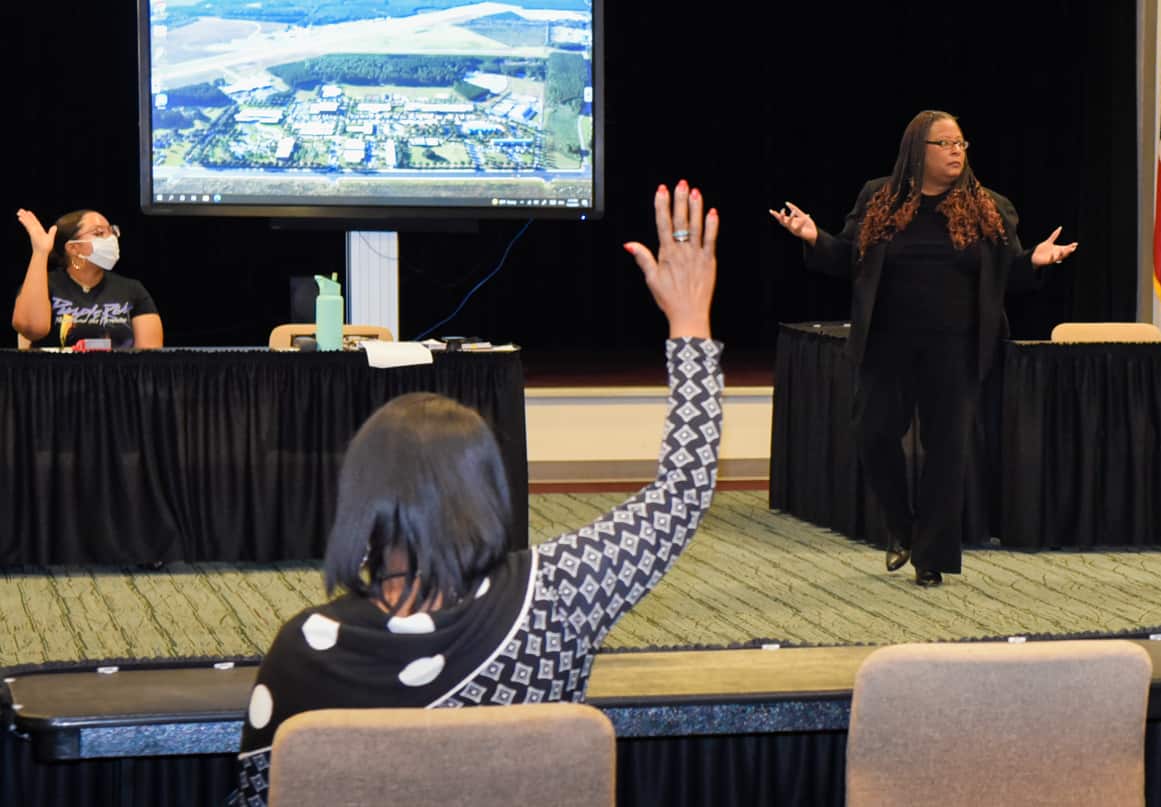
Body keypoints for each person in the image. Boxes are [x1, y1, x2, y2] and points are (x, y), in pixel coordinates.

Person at [230, 179, 722, 805]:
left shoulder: (303, 650)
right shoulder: (557, 597)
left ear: (359, 506)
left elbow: (260, 796)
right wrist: (689, 319)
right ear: (488, 491)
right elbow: (682, 491)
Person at [769, 110, 1076, 587]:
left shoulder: (990, 206)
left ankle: (931, 557)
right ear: (918, 151)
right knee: (873, 434)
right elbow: (849, 260)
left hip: (956, 350)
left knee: (947, 452)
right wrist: (814, 238)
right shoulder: (879, 198)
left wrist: (1034, 261)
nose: (957, 151)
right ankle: (903, 526)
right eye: (945, 143)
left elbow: (1008, 277)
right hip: (886, 345)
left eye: (961, 143)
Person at [12, 208, 163, 349]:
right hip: (55, 369)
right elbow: (32, 330)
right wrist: (40, 252)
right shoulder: (45, 285)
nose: (111, 238)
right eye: (99, 233)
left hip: (118, 370)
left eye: (112, 231)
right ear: (73, 248)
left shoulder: (132, 289)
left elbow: (150, 356)